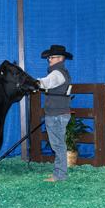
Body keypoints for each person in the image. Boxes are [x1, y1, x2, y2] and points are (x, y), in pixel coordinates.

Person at [37, 45, 73, 182]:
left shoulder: (57, 73)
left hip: (57, 114)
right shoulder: (60, 72)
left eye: (51, 57)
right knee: (57, 144)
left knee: (58, 145)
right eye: (49, 57)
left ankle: (59, 175)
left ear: (59, 58)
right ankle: (58, 173)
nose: (49, 60)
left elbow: (46, 83)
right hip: (57, 113)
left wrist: (30, 82)